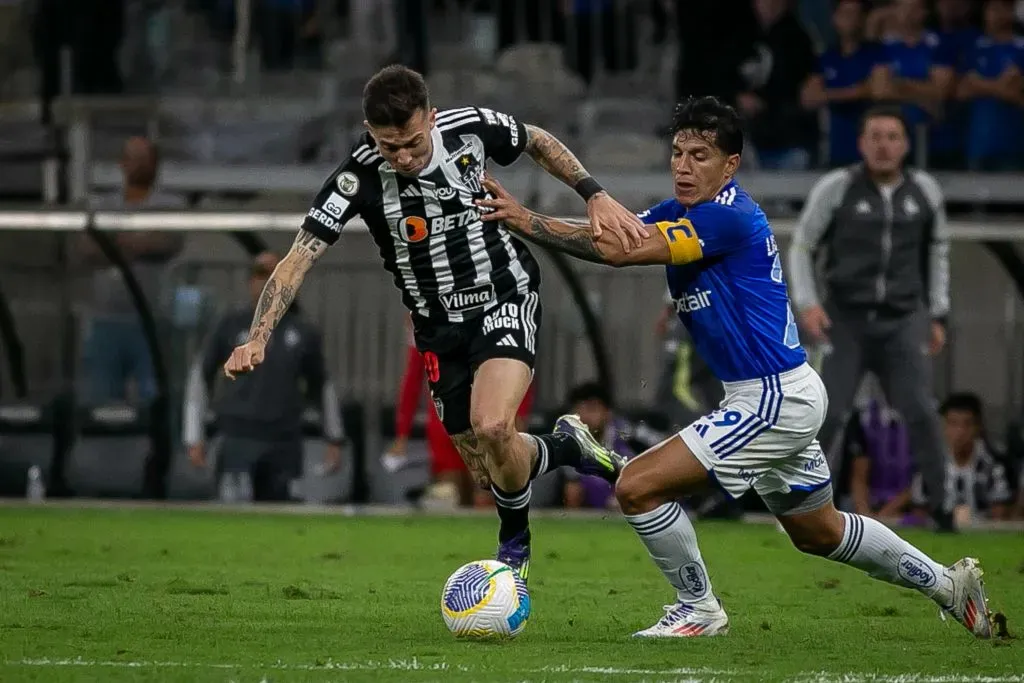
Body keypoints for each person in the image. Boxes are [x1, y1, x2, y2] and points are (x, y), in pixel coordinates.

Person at [476, 95, 995, 640]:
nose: (683, 165)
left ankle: (697, 608)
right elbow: (616, 237)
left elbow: (622, 252)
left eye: (699, 155)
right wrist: (529, 219)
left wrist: (526, 219)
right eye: (677, 153)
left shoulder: (728, 217)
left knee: (637, 487)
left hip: (772, 399)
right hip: (777, 395)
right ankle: (948, 585)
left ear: (730, 165)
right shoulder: (680, 212)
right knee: (819, 532)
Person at [221, 65, 642, 581]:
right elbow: (297, 258)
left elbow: (536, 139)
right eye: (389, 146)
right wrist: (258, 337)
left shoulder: (471, 128)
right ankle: (568, 446)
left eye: (412, 143)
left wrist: (593, 192)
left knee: (494, 425)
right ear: (370, 132)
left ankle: (514, 548)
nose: (402, 157)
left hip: (502, 296)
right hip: (436, 328)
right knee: (489, 469)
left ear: (432, 118)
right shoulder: (356, 177)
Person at [786, 105, 954, 531]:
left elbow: (938, 252)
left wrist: (938, 313)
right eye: (875, 137)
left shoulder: (925, 191)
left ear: (906, 145)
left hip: (903, 320)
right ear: (861, 143)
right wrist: (807, 302)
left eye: (892, 137)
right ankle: (799, 504)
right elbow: (802, 245)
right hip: (844, 320)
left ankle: (943, 506)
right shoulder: (837, 187)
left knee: (921, 410)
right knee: (826, 412)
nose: (884, 146)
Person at [184, 251, 343, 501]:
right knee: (233, 515)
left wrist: (334, 437)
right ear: (250, 282)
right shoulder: (230, 325)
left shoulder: (304, 332)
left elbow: (322, 386)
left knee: (281, 514)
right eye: (261, 274)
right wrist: (194, 436)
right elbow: (200, 378)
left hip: (284, 440)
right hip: (237, 437)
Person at [76, 136, 186, 405]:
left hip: (152, 322)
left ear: (156, 164)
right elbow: (87, 248)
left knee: (155, 400)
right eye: (134, 158)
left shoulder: (171, 205)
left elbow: (166, 241)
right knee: (98, 400)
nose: (140, 164)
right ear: (122, 163)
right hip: (105, 321)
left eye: (146, 159)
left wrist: (114, 243)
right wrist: (137, 242)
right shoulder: (101, 205)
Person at [386, 314, 535, 508]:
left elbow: (515, 365)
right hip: (447, 426)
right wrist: (402, 433)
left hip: (484, 421)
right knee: (451, 496)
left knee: (486, 496)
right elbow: (412, 381)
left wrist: (518, 415)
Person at [801, 0, 884, 167]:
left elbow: (878, 90)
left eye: (855, 14)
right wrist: (855, 91)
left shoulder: (877, 53)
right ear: (835, 18)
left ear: (863, 18)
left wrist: (828, 94)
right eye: (845, 14)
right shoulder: (827, 58)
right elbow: (808, 99)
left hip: (870, 149)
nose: (851, 20)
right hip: (835, 149)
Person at [955, 0, 1024, 172]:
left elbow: (1016, 93)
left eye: (1003, 9)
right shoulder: (974, 46)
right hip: (978, 145)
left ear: (1012, 12)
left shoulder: (1021, 48)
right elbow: (962, 91)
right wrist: (1001, 86)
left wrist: (978, 84)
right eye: (993, 9)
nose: (997, 15)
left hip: (1014, 145)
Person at [560, 382, 636, 510]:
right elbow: (573, 487)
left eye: (591, 410)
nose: (584, 417)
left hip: (635, 503)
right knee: (572, 490)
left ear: (607, 413)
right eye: (578, 411)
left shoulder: (631, 436)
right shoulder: (567, 440)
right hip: (595, 510)